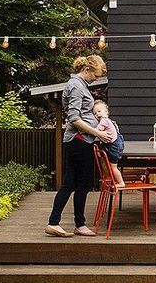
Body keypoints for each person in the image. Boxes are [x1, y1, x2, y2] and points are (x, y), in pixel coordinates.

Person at [45, 54, 110, 237]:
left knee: (70, 183)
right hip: (80, 141)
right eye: (95, 75)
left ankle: (54, 222)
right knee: (85, 183)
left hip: (78, 141)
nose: (96, 79)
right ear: (87, 69)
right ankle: (79, 224)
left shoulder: (80, 85)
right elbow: (73, 119)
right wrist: (98, 133)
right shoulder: (76, 86)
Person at [93, 100, 125, 188]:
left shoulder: (104, 121)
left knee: (113, 167)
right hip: (116, 143)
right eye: (95, 113)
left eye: (99, 111)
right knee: (112, 166)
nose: (97, 114)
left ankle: (121, 182)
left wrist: (89, 129)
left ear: (106, 112)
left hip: (114, 146)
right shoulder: (109, 121)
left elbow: (96, 131)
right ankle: (114, 179)